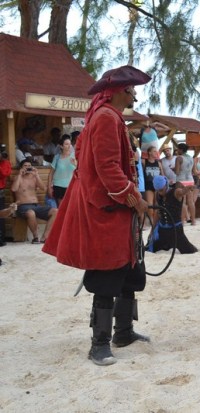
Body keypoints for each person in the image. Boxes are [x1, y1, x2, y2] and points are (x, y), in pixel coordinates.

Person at [42, 65, 152, 366]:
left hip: (118, 209)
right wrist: (135, 197)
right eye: (131, 89)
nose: (135, 93)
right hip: (107, 209)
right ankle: (99, 343)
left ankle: (124, 332)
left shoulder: (110, 116)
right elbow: (108, 169)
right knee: (107, 274)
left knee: (130, 272)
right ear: (121, 91)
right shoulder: (105, 118)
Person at [11, 159, 58, 243]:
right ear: (21, 168)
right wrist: (19, 174)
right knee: (31, 213)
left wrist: (37, 175)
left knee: (55, 211)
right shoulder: (18, 178)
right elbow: (14, 189)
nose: (27, 168)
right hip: (23, 206)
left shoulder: (34, 178)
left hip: (36, 206)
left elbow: (43, 188)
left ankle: (45, 237)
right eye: (25, 166)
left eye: (29, 166)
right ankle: (35, 237)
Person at [149, 175, 197, 254]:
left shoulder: (175, 192)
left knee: (190, 251)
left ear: (166, 185)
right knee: (150, 248)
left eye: (162, 190)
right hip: (162, 230)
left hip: (176, 230)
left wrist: (188, 188)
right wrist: (152, 231)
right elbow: (158, 213)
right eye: (158, 190)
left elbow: (182, 192)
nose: (160, 192)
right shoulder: (157, 194)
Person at [47, 135, 77, 207]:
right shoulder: (57, 157)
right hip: (58, 186)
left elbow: (82, 171)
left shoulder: (75, 156)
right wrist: (49, 187)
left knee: (72, 207)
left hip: (71, 185)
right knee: (61, 208)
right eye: (66, 144)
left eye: (70, 144)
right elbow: (51, 173)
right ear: (61, 146)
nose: (69, 146)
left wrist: (76, 164)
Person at [141, 145, 164, 224]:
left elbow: (162, 175)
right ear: (149, 152)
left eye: (156, 151)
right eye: (154, 151)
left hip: (157, 185)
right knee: (150, 203)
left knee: (157, 203)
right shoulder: (144, 162)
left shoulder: (158, 163)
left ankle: (156, 219)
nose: (156, 153)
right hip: (148, 184)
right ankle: (151, 219)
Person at [174, 143, 196, 225]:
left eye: (178, 149)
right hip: (190, 180)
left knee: (182, 201)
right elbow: (194, 171)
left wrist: (173, 169)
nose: (177, 151)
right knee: (191, 201)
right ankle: (193, 221)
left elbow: (177, 172)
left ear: (181, 150)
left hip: (181, 180)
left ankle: (182, 221)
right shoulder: (191, 158)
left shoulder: (179, 158)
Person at [0, 144, 11, 246]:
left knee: (1, 215)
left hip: (1, 190)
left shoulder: (6, 163)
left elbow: (4, 174)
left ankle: (1, 239)